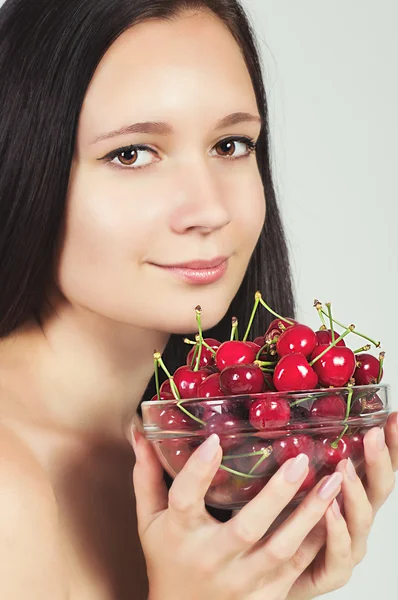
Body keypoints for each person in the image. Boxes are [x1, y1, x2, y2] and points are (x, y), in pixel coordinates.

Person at [0, 0, 396, 598]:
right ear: (25, 164)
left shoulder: (200, 455)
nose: (210, 210)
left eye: (232, 145)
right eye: (131, 154)